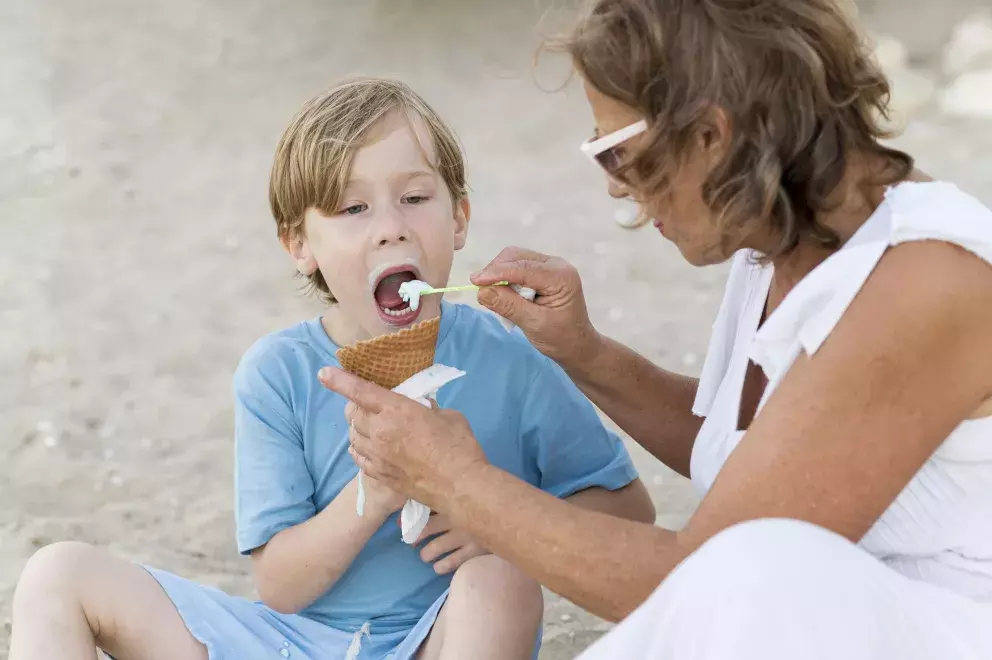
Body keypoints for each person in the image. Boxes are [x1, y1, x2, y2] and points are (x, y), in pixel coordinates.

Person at [318, 1, 992, 658]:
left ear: (710, 135)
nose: (614, 187)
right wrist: (586, 354)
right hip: (827, 619)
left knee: (762, 559)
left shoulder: (922, 280)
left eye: (616, 153)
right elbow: (764, 464)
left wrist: (457, 481)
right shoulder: (783, 244)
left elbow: (712, 578)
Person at [9, 78, 654, 660]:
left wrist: (504, 521)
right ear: (300, 246)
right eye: (353, 209)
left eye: (414, 196)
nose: (390, 230)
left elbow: (629, 511)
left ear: (459, 218)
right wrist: (371, 494)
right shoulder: (278, 374)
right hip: (288, 644)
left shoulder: (509, 355)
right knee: (56, 574)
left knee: (501, 579)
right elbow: (281, 587)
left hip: (433, 638)